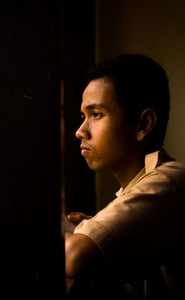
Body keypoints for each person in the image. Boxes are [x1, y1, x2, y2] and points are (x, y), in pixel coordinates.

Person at [65, 54, 185, 299]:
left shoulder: (171, 180)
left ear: (143, 125)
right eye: (82, 117)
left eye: (96, 114)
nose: (80, 132)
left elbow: (74, 257)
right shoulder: (131, 191)